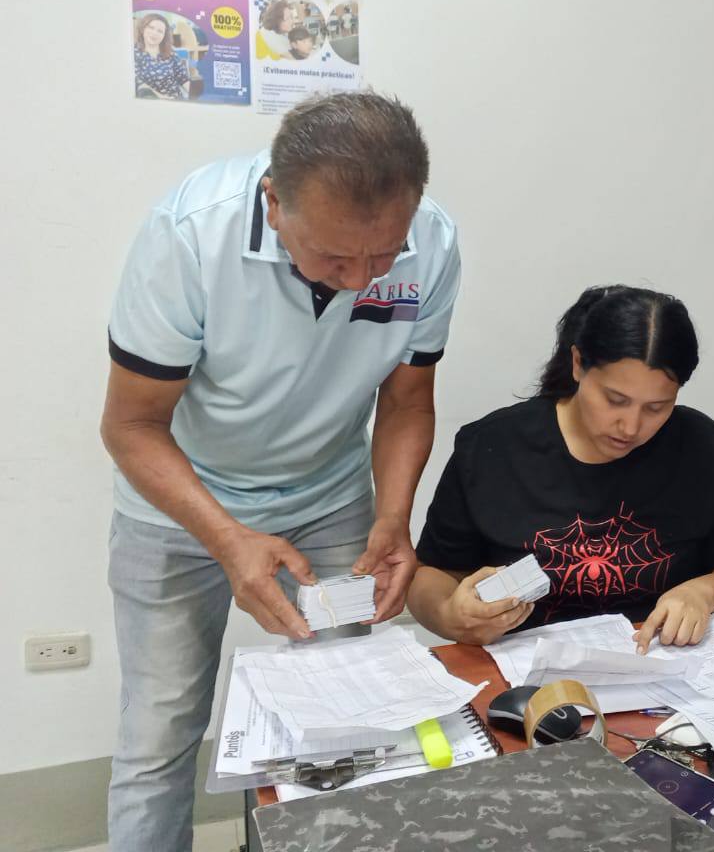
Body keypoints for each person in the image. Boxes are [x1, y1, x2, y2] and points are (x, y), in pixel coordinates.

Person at [101, 91, 460, 852]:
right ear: (274, 201)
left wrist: (393, 517)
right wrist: (228, 539)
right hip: (179, 502)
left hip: (330, 499)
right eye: (334, 257)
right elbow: (131, 427)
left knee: (354, 710)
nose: (361, 279)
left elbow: (406, 402)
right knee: (160, 731)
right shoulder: (191, 234)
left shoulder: (432, 242)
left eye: (383, 255)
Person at [407, 286, 714, 652]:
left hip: (659, 657)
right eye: (615, 400)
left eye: (656, 407)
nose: (630, 427)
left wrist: (704, 591)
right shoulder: (492, 447)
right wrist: (449, 615)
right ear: (578, 363)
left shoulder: (702, 447)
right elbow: (432, 575)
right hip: (526, 668)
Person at [133, 13, 189, 100]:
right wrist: (163, 98)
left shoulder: (171, 52)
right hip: (151, 102)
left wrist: (196, 96)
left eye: (160, 31)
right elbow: (139, 84)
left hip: (178, 100)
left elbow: (184, 79)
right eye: (151, 28)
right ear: (143, 28)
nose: (154, 33)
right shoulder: (133, 53)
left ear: (164, 36)